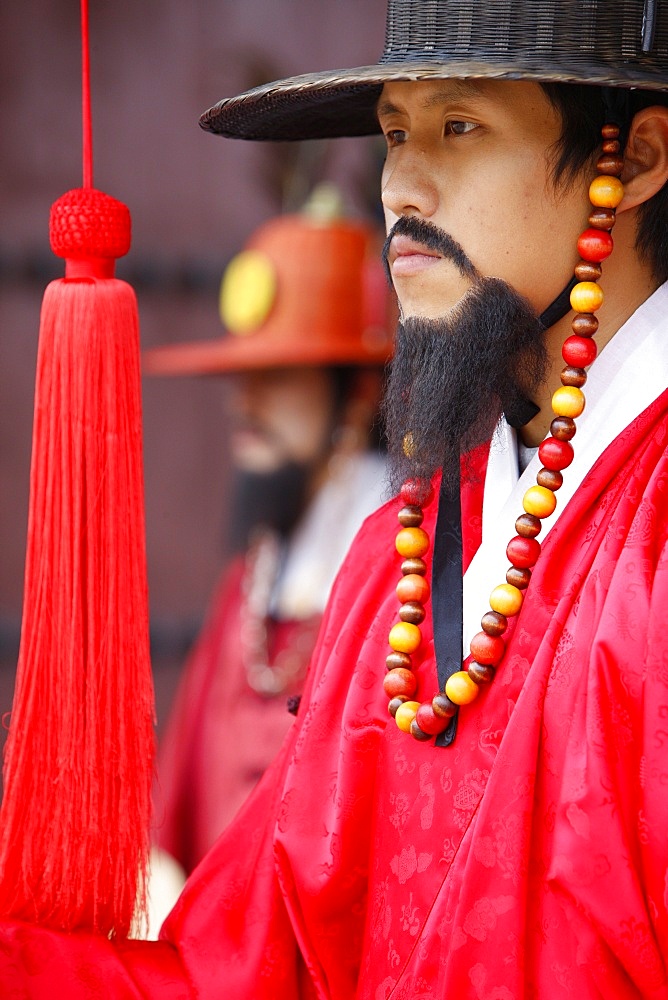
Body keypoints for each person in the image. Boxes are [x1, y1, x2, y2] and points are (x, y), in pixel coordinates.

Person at [1, 0, 667, 996]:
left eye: (458, 126)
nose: (402, 181)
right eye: (394, 132)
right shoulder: (393, 557)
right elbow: (240, 965)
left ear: (642, 152)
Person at [145, 190, 393, 876]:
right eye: (242, 376)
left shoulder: (401, 577)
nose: (242, 402)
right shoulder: (249, 585)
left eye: (276, 376)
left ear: (358, 395)